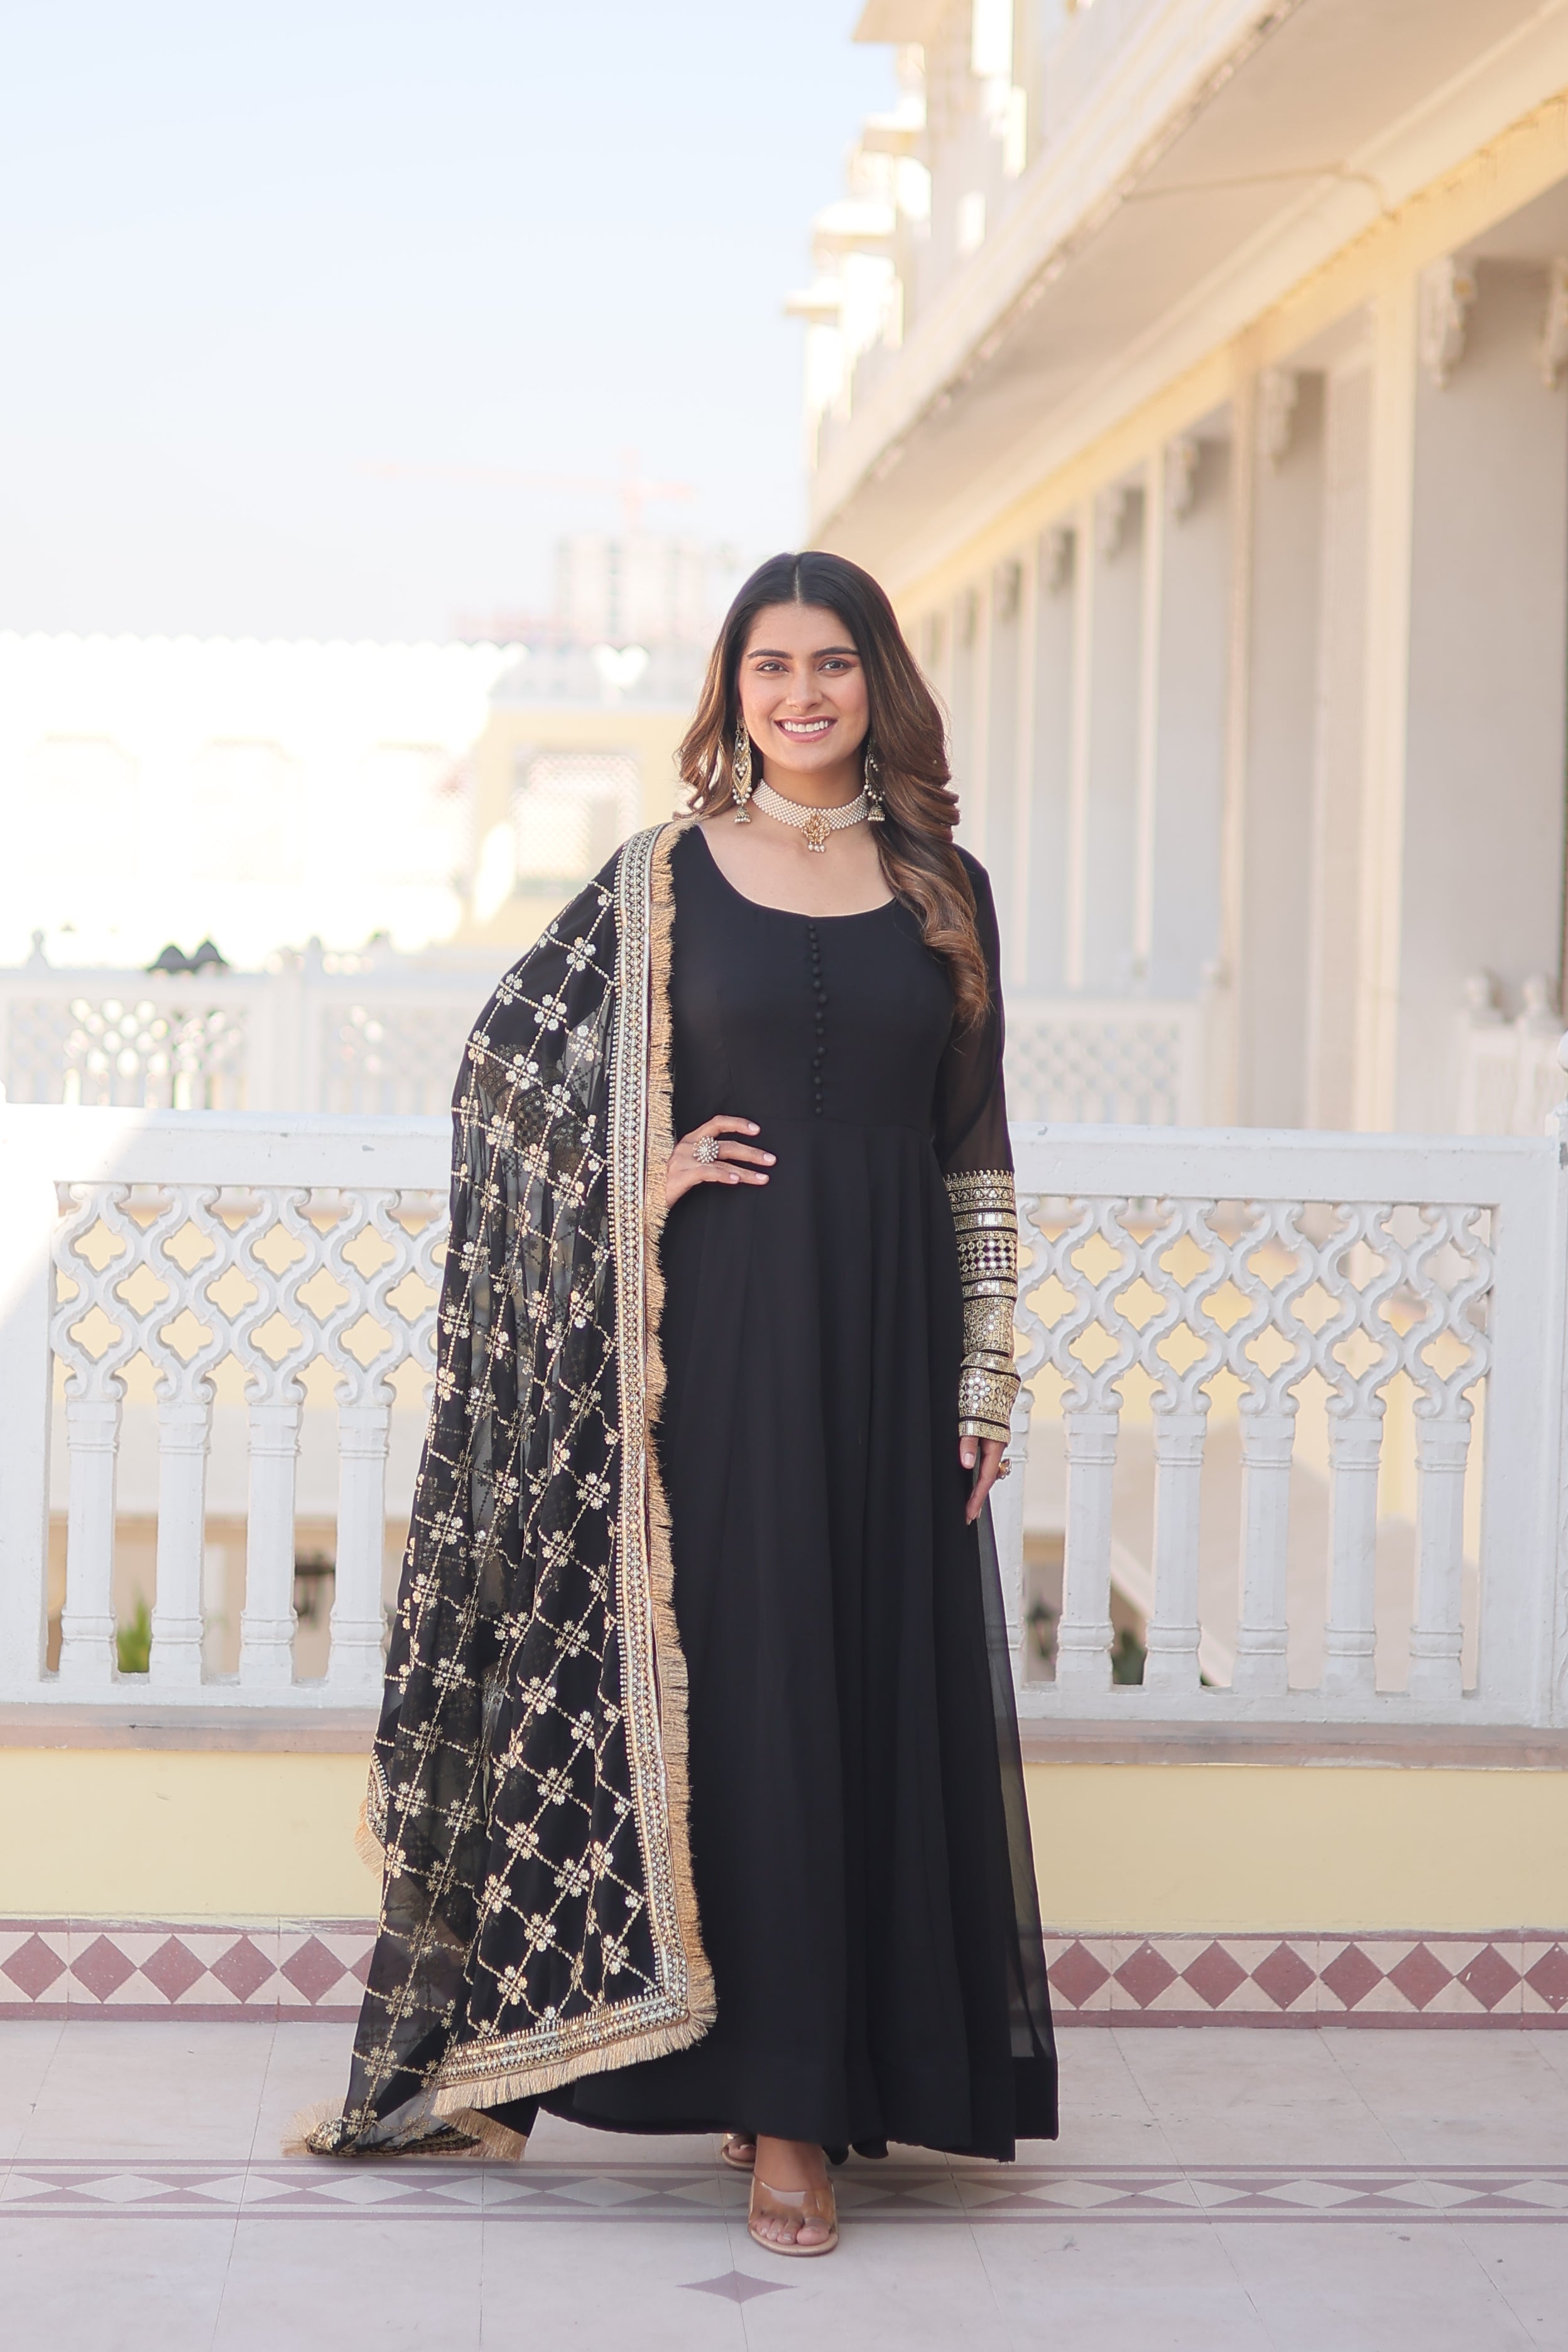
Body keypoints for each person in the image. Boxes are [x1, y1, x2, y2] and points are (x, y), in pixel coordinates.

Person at [304, 550, 1057, 2258]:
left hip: (892, 1334)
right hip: (713, 1341)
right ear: (731, 691)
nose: (802, 694)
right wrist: (633, 1181)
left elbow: (977, 1142)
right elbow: (503, 1080)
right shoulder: (659, 879)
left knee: (864, 1683)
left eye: (832, 663)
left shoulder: (944, 883)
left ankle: (830, 2068)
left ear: (878, 682)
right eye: (770, 666)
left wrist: (988, 1364)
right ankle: (781, 2111)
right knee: (754, 1691)